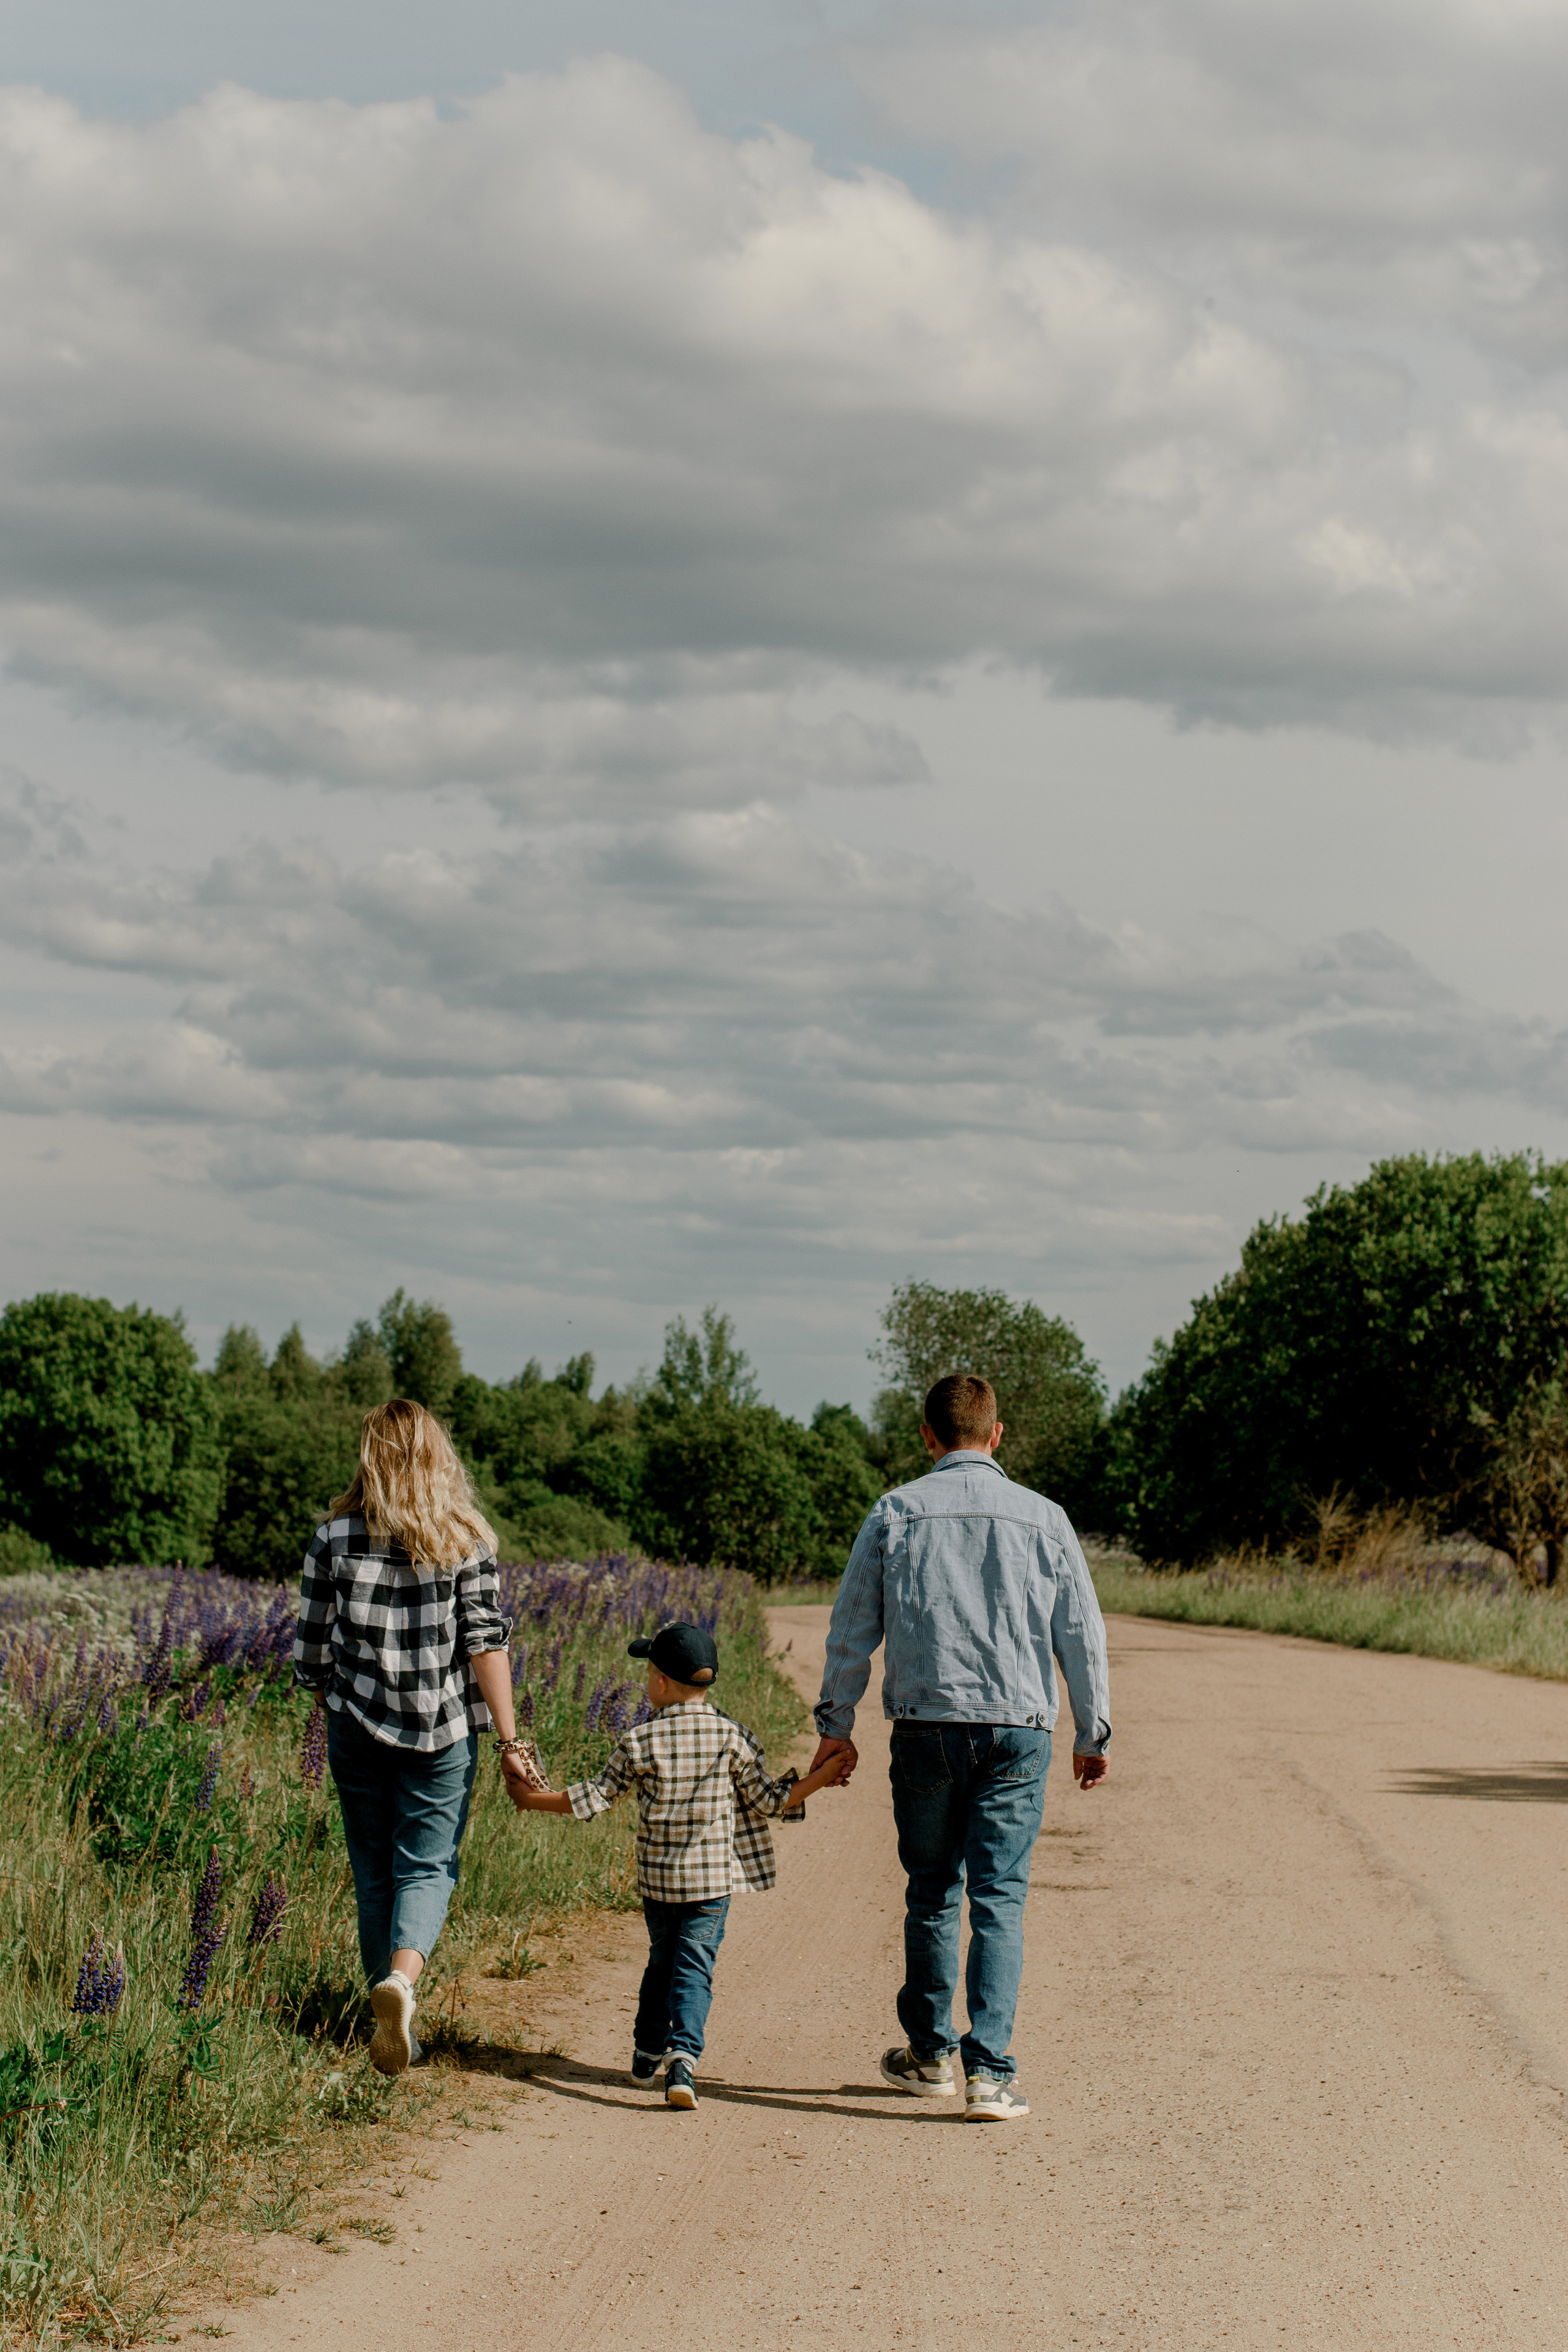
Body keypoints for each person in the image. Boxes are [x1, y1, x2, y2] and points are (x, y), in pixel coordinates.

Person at [809, 1372, 1111, 2124]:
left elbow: (852, 1627)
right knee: (999, 1897)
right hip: (1018, 1729)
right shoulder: (1045, 1518)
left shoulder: (895, 1511)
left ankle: (929, 2057)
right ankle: (990, 2076)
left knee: (932, 1891)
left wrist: (835, 1724)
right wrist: (1092, 1729)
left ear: (927, 1436)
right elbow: (1081, 1633)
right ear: (996, 1434)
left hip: (925, 1725)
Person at [513, 1619, 851, 2109]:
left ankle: (646, 2052)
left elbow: (596, 1796)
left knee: (661, 1962)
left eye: (647, 1673)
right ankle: (683, 2060)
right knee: (694, 1969)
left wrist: (533, 1799)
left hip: (658, 1884)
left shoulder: (639, 1740)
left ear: (660, 1682)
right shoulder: (733, 1737)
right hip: (711, 1885)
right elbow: (771, 1801)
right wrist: (822, 1776)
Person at [293, 1397, 535, 2076]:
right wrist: (511, 1742)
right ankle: (401, 1982)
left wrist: (336, 1702)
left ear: (370, 1456)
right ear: (437, 1456)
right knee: (425, 1869)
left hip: (357, 1724)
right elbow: (485, 1644)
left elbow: (311, 1652)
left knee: (374, 1873)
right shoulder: (465, 1539)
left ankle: (388, 2011)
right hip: (442, 1731)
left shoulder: (332, 1538)